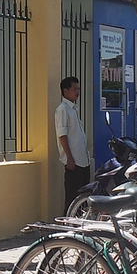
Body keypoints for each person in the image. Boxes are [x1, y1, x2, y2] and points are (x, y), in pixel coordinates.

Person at [55, 77, 90, 215]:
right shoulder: (63, 110)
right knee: (72, 198)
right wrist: (69, 158)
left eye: (78, 89)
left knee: (82, 198)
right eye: (74, 89)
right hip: (74, 162)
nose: (77, 92)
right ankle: (68, 226)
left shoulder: (73, 109)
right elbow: (62, 135)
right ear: (65, 91)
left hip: (83, 160)